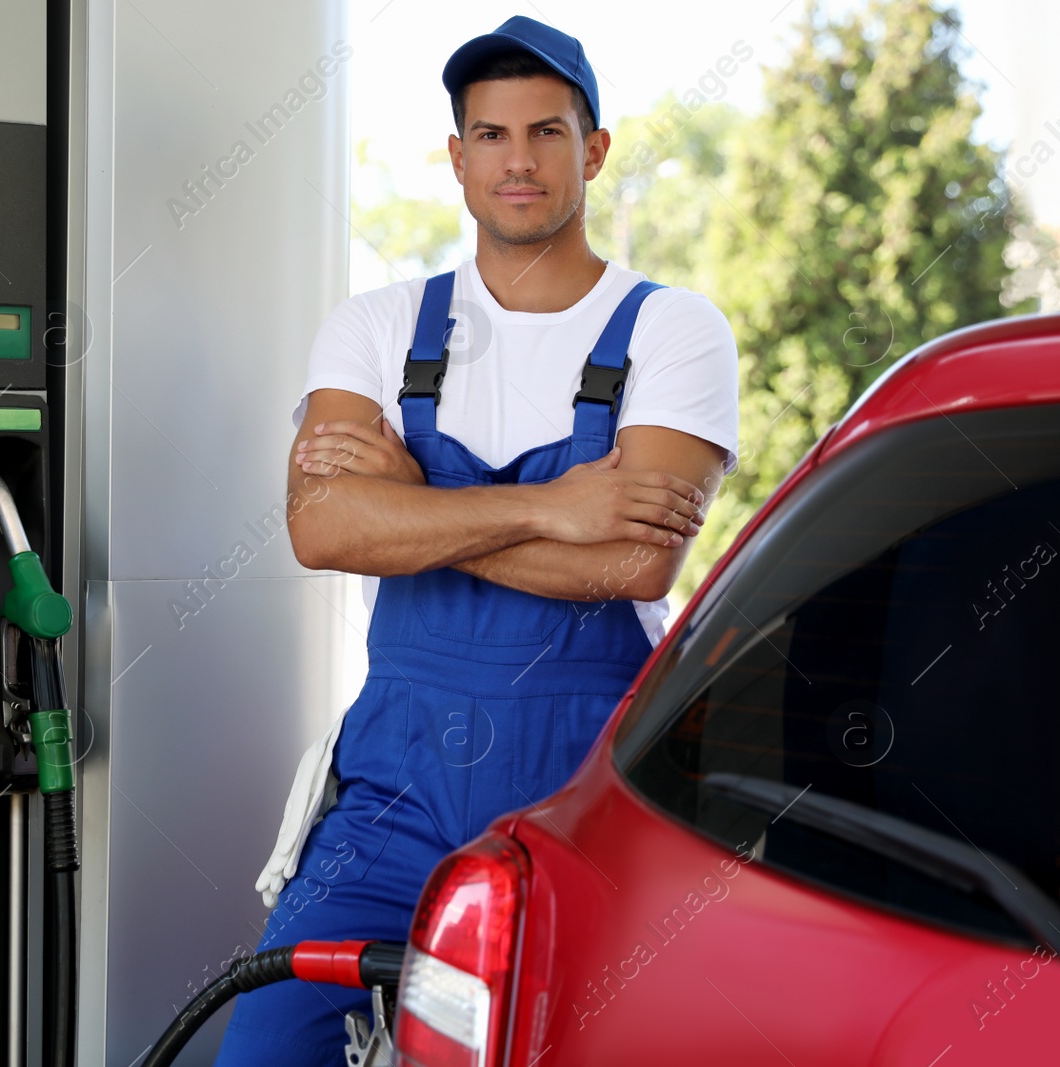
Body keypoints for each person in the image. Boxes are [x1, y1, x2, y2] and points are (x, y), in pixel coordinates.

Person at [212, 14, 740, 1065]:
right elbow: (320, 526)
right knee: (266, 1047)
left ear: (593, 150)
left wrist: (407, 504)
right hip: (390, 792)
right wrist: (550, 507)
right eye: (491, 136)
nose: (519, 160)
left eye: (546, 132)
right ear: (457, 158)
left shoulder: (674, 329)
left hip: (584, 800)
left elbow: (632, 563)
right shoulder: (374, 326)